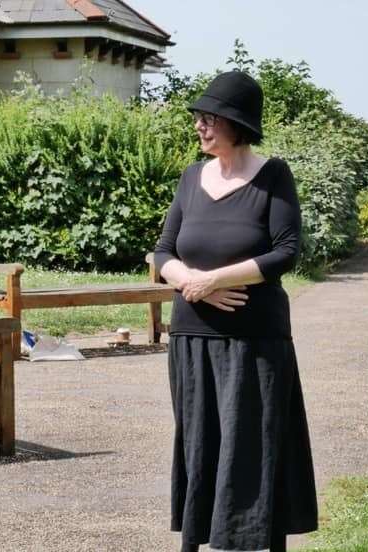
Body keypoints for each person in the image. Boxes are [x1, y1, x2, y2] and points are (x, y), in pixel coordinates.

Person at [153, 72, 318, 552]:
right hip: (192, 339)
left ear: (236, 123)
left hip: (255, 342)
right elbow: (163, 252)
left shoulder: (273, 176)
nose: (200, 128)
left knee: (254, 445)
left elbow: (287, 252)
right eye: (200, 119)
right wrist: (192, 284)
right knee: (200, 446)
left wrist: (216, 279)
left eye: (210, 119)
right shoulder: (190, 177)